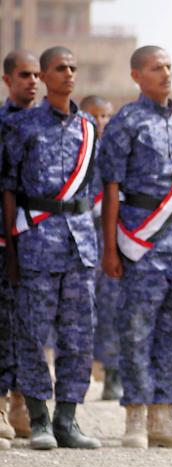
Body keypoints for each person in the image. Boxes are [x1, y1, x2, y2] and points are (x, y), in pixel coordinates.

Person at [98, 45, 172, 449]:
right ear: (137, 75)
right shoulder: (127, 121)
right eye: (156, 68)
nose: (165, 73)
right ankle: (136, 419)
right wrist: (111, 247)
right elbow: (111, 189)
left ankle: (164, 416)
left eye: (169, 67)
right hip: (141, 242)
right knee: (136, 331)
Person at [1, 46, 101, 450]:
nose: (69, 74)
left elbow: (93, 187)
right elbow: (8, 188)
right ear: (43, 76)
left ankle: (68, 420)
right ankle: (38, 419)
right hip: (36, 240)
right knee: (32, 334)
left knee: (79, 337)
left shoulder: (90, 126)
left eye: (74, 68)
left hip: (79, 245)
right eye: (60, 68)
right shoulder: (23, 126)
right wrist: (10, 246)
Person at [0, 49, 41, 446]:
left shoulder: (48, 125)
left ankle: (20, 403)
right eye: (24, 74)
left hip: (36, 239)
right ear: (7, 79)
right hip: (3, 237)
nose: (32, 81)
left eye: (35, 74)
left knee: (26, 326)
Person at [80, 94, 122, 400]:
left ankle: (113, 374)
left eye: (106, 116)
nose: (101, 122)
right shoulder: (74, 149)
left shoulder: (117, 152)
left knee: (112, 307)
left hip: (110, 237)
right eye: (95, 115)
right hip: (79, 237)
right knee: (81, 309)